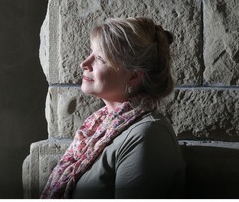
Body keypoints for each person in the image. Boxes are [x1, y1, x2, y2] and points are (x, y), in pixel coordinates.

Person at [40, 17, 185, 199]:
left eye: (100, 59)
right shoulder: (99, 128)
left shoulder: (147, 135)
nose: (84, 64)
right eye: (90, 53)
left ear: (133, 76)